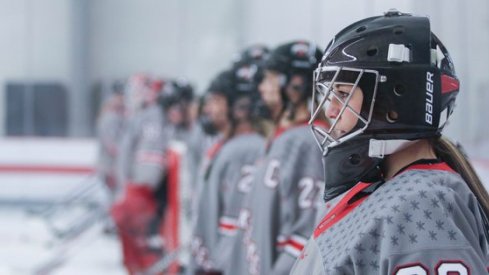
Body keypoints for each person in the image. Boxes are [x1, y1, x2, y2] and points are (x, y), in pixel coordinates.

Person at [291, 10, 489, 274]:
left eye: (343, 94)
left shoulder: (421, 202)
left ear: (396, 103)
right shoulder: (388, 187)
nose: (330, 111)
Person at [233, 40, 327, 275]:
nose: (262, 88)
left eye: (269, 79)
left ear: (294, 84)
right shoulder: (286, 135)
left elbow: (306, 229)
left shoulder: (306, 140)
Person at [192, 45, 270, 275]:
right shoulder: (229, 145)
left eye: (216, 101)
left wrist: (213, 263)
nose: (209, 109)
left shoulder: (245, 149)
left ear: (239, 108)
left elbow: (235, 223)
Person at [110, 74, 168, 274]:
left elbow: (150, 160)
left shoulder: (151, 117)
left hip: (140, 191)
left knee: (141, 241)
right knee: (133, 240)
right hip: (134, 189)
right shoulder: (139, 117)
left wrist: (131, 185)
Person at [96, 80, 126, 200]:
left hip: (112, 167)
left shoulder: (117, 116)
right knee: (115, 199)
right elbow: (111, 146)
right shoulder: (109, 117)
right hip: (111, 167)